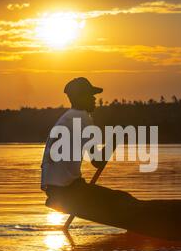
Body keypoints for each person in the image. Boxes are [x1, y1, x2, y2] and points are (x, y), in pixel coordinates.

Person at [41, 77, 136, 214]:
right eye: (90, 95)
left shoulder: (69, 117)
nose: (94, 99)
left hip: (56, 188)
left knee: (120, 199)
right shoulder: (82, 118)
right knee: (123, 200)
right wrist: (117, 137)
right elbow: (97, 161)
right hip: (66, 190)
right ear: (80, 98)